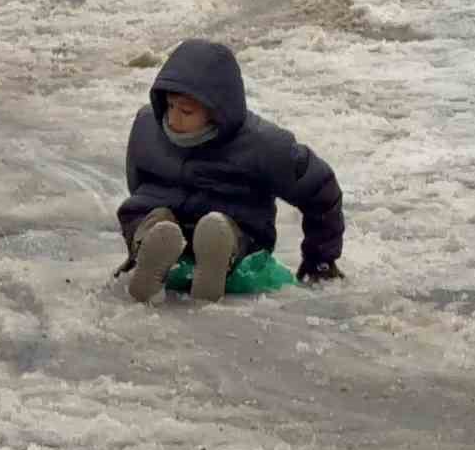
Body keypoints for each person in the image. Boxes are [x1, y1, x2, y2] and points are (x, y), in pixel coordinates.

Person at [115, 38, 345, 302]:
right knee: (151, 217)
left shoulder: (262, 145)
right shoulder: (148, 127)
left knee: (222, 227)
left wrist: (320, 259)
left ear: (217, 112)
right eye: (169, 106)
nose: (174, 118)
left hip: (234, 223)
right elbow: (138, 185)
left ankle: (219, 250)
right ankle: (150, 246)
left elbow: (319, 188)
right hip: (162, 219)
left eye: (186, 111)